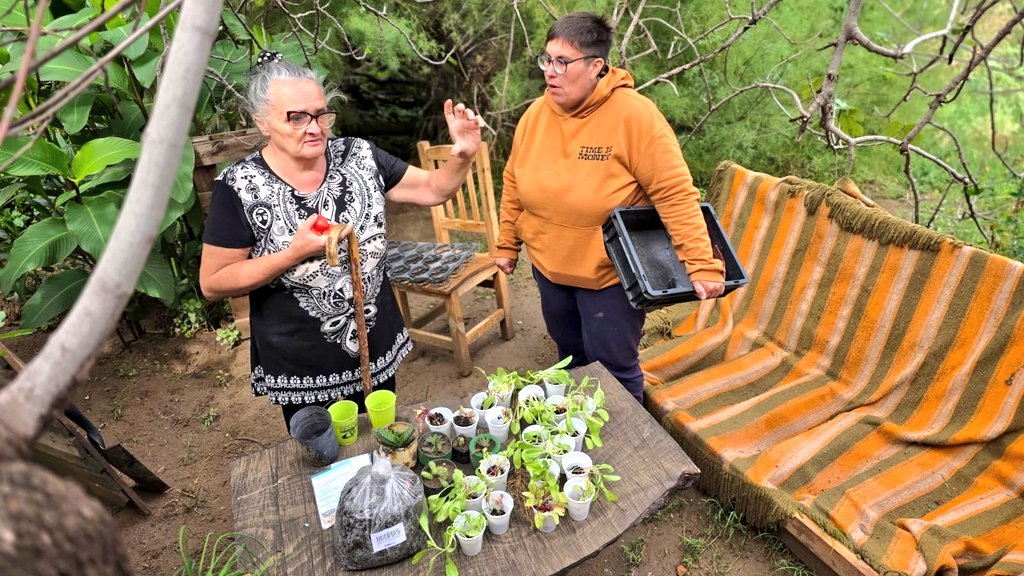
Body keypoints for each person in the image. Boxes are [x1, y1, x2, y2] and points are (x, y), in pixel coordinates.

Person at [199, 52, 484, 430]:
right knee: (326, 463)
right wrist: (293, 254)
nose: (314, 127)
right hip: (303, 365)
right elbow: (213, 281)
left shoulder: (359, 155)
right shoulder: (238, 186)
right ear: (262, 122)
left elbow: (433, 188)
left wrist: (461, 156)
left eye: (320, 114)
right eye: (297, 117)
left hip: (374, 347)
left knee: (383, 449)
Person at [493, 13, 725, 403]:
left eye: (562, 63)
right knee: (570, 357)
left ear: (596, 66)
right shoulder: (535, 114)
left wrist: (700, 262)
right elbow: (514, 180)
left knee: (613, 369)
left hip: (609, 275)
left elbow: (674, 193)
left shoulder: (635, 117)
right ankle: (577, 440)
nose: (550, 72)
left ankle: (630, 452)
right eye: (546, 60)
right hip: (550, 268)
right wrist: (506, 243)